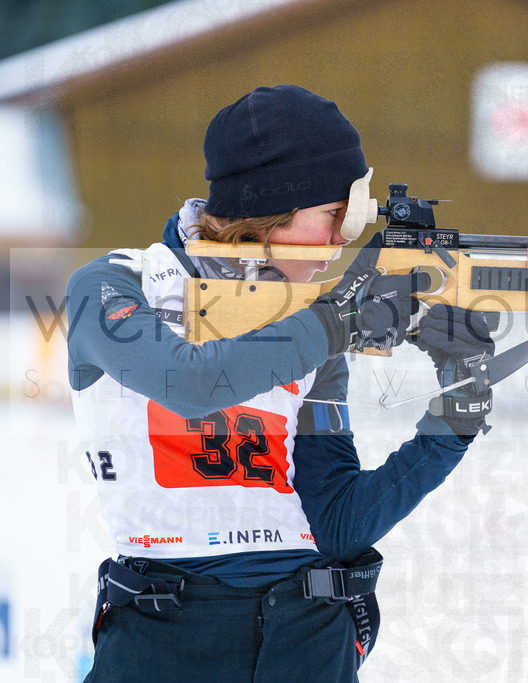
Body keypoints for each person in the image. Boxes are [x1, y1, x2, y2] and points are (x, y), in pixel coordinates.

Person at [65, 84, 495, 682]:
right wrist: (338, 322)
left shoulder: (311, 328)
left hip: (308, 635)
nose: (344, 239)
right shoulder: (117, 284)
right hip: (164, 638)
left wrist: (453, 422)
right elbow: (189, 380)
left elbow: (337, 523)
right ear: (275, 209)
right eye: (334, 216)